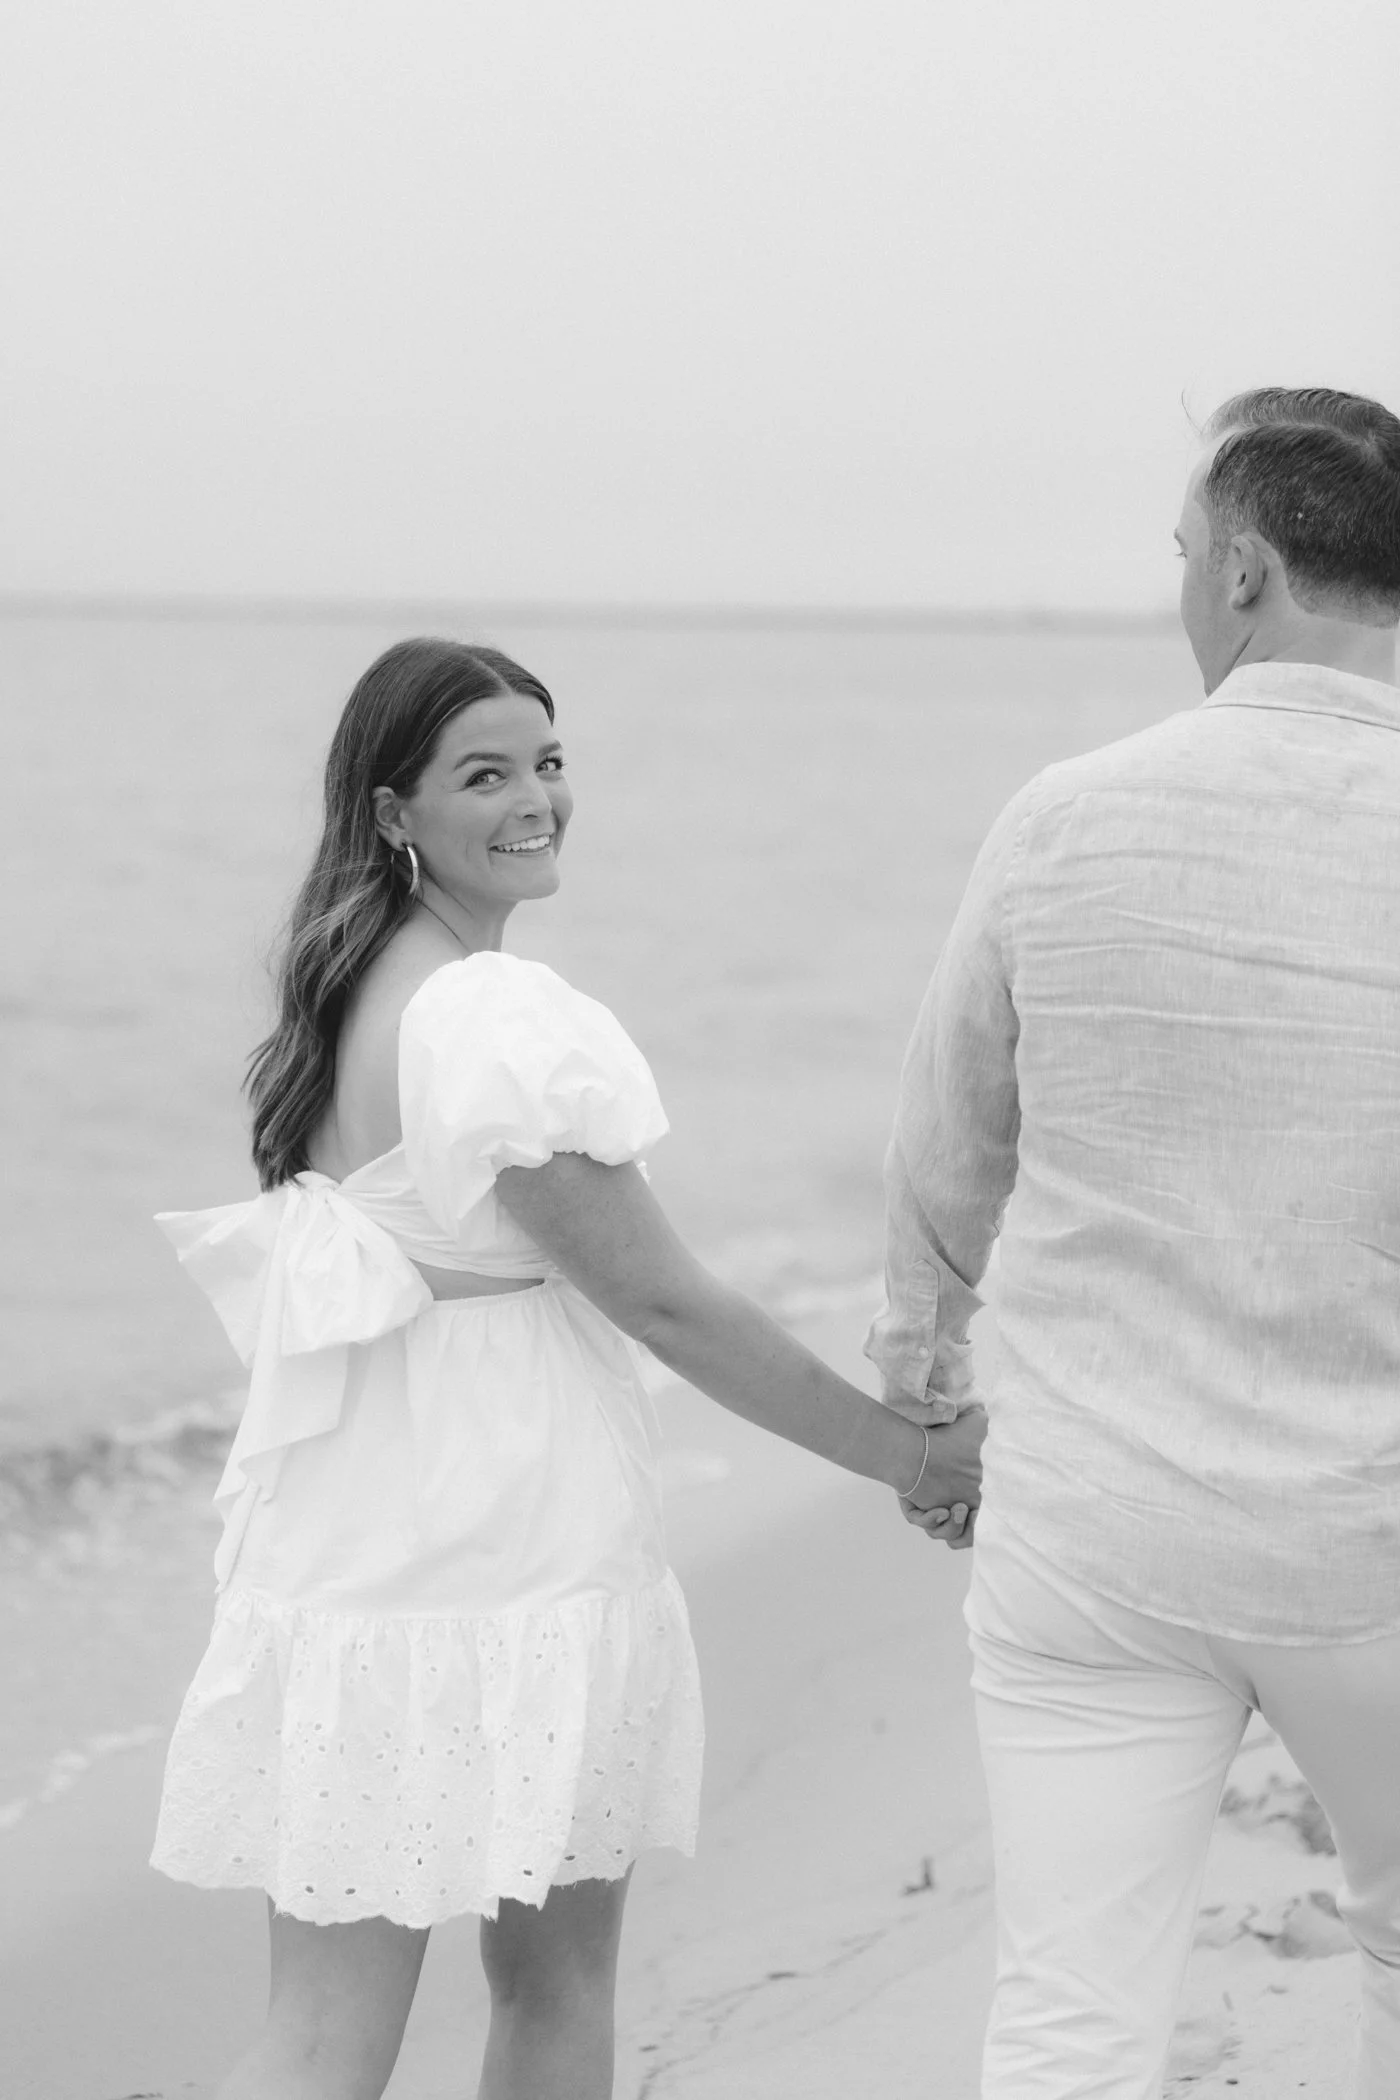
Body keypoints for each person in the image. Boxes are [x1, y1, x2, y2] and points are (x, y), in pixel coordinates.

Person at [151, 637, 984, 2100]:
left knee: (320, 2031)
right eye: (484, 774)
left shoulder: (356, 984)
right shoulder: (488, 1015)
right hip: (513, 1537)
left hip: (354, 1538)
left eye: (547, 762)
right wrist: (906, 1453)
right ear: (394, 810)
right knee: (552, 1985)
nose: (535, 799)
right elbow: (663, 1302)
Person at [869, 387, 1400, 2099]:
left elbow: (946, 1155)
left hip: (1098, 1529)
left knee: (1070, 2014)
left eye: (1183, 555)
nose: (1180, 591)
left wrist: (926, 1401)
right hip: (1370, 1529)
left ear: (1246, 569)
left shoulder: (1065, 814)